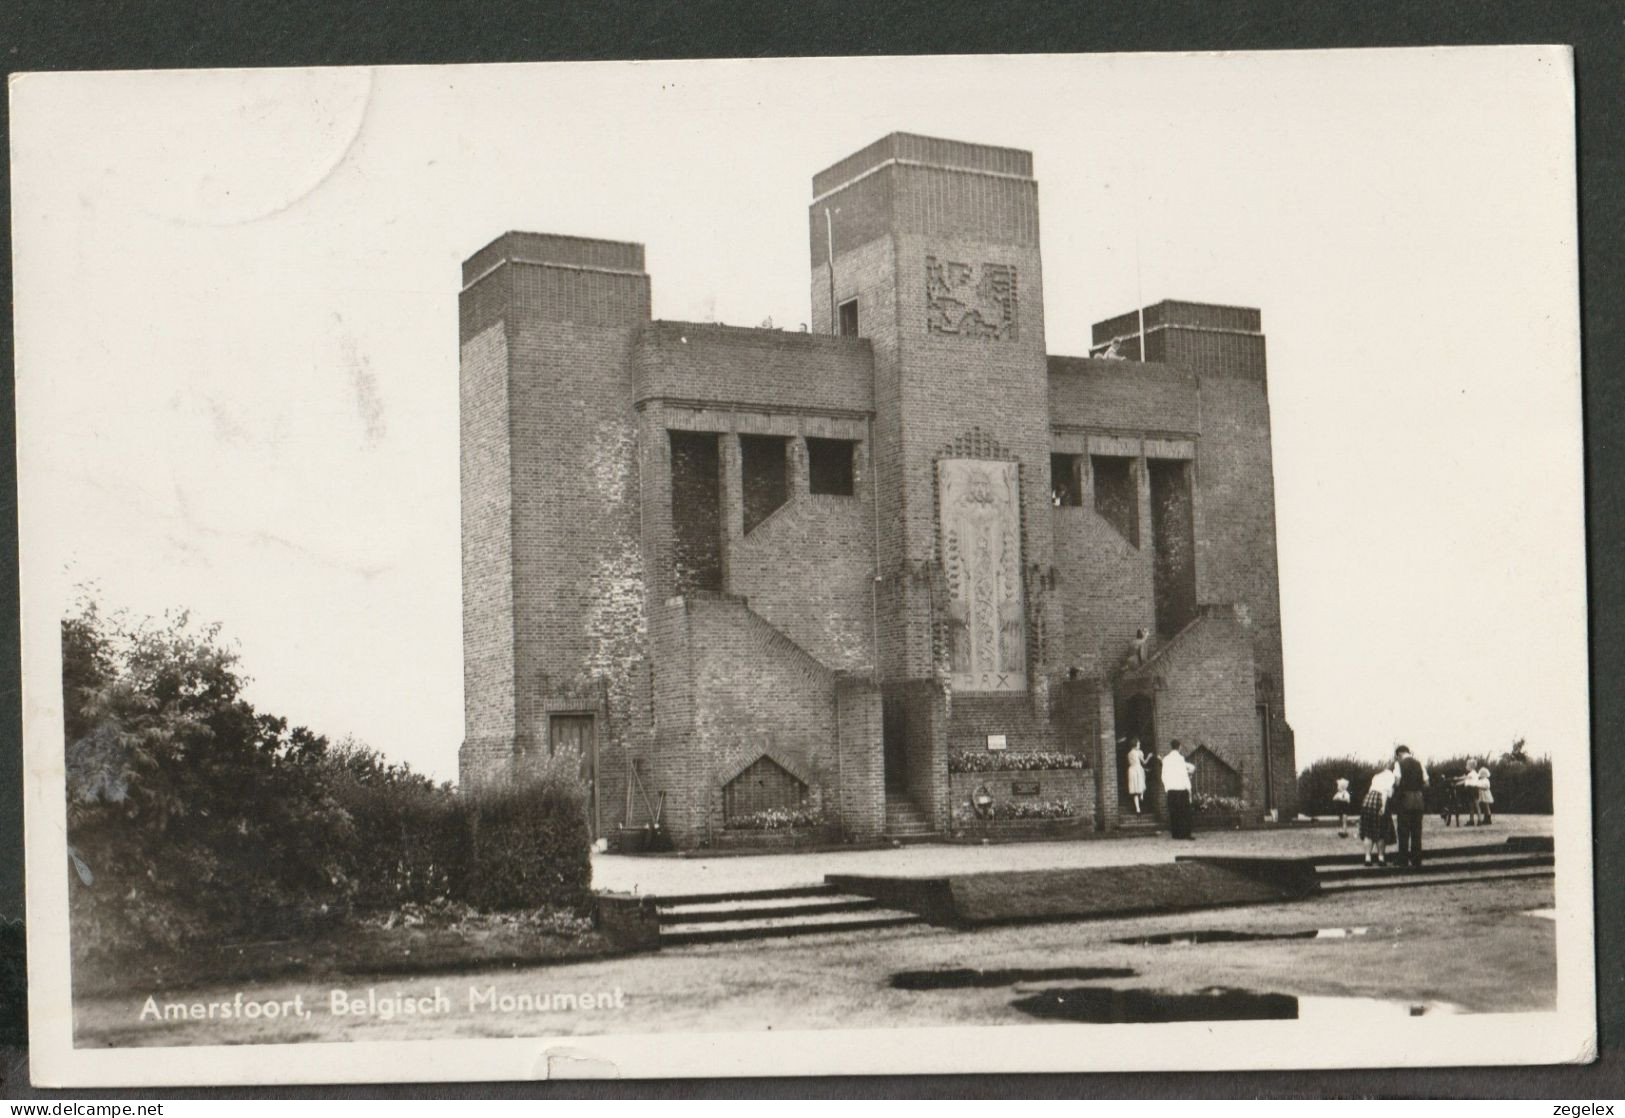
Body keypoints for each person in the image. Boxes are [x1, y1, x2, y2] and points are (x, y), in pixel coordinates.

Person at [1392, 745, 1429, 868]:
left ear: (1399, 754)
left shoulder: (1399, 764)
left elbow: (1397, 781)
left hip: (1405, 799)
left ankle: (1403, 860)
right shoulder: (1419, 763)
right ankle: (1416, 860)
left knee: (1403, 831)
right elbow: (1426, 783)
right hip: (1418, 799)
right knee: (1416, 831)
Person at [1358, 767, 1397, 866]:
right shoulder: (1390, 776)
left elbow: (1371, 789)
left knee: (1368, 831)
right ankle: (1381, 858)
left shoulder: (1377, 776)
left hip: (1368, 800)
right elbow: (1385, 792)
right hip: (1379, 800)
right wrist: (1383, 806)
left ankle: (1367, 858)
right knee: (1381, 831)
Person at [1161, 739, 1196, 840]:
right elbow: (1183, 775)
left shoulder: (1166, 759)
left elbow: (1163, 775)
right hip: (1181, 789)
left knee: (1174, 813)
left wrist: (1166, 788)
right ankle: (1186, 834)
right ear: (1179, 747)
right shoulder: (1180, 759)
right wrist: (1189, 788)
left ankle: (1176, 834)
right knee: (1184, 813)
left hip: (1171, 790)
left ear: (1171, 747)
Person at [1125, 738, 1149, 814]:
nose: (1139, 745)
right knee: (1142, 783)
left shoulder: (1128, 754)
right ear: (1135, 745)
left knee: (1135, 790)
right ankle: (1141, 795)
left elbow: (1130, 763)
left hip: (1131, 770)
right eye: (1138, 744)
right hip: (1138, 769)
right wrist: (1149, 756)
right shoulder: (1139, 752)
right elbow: (1144, 762)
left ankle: (1138, 809)